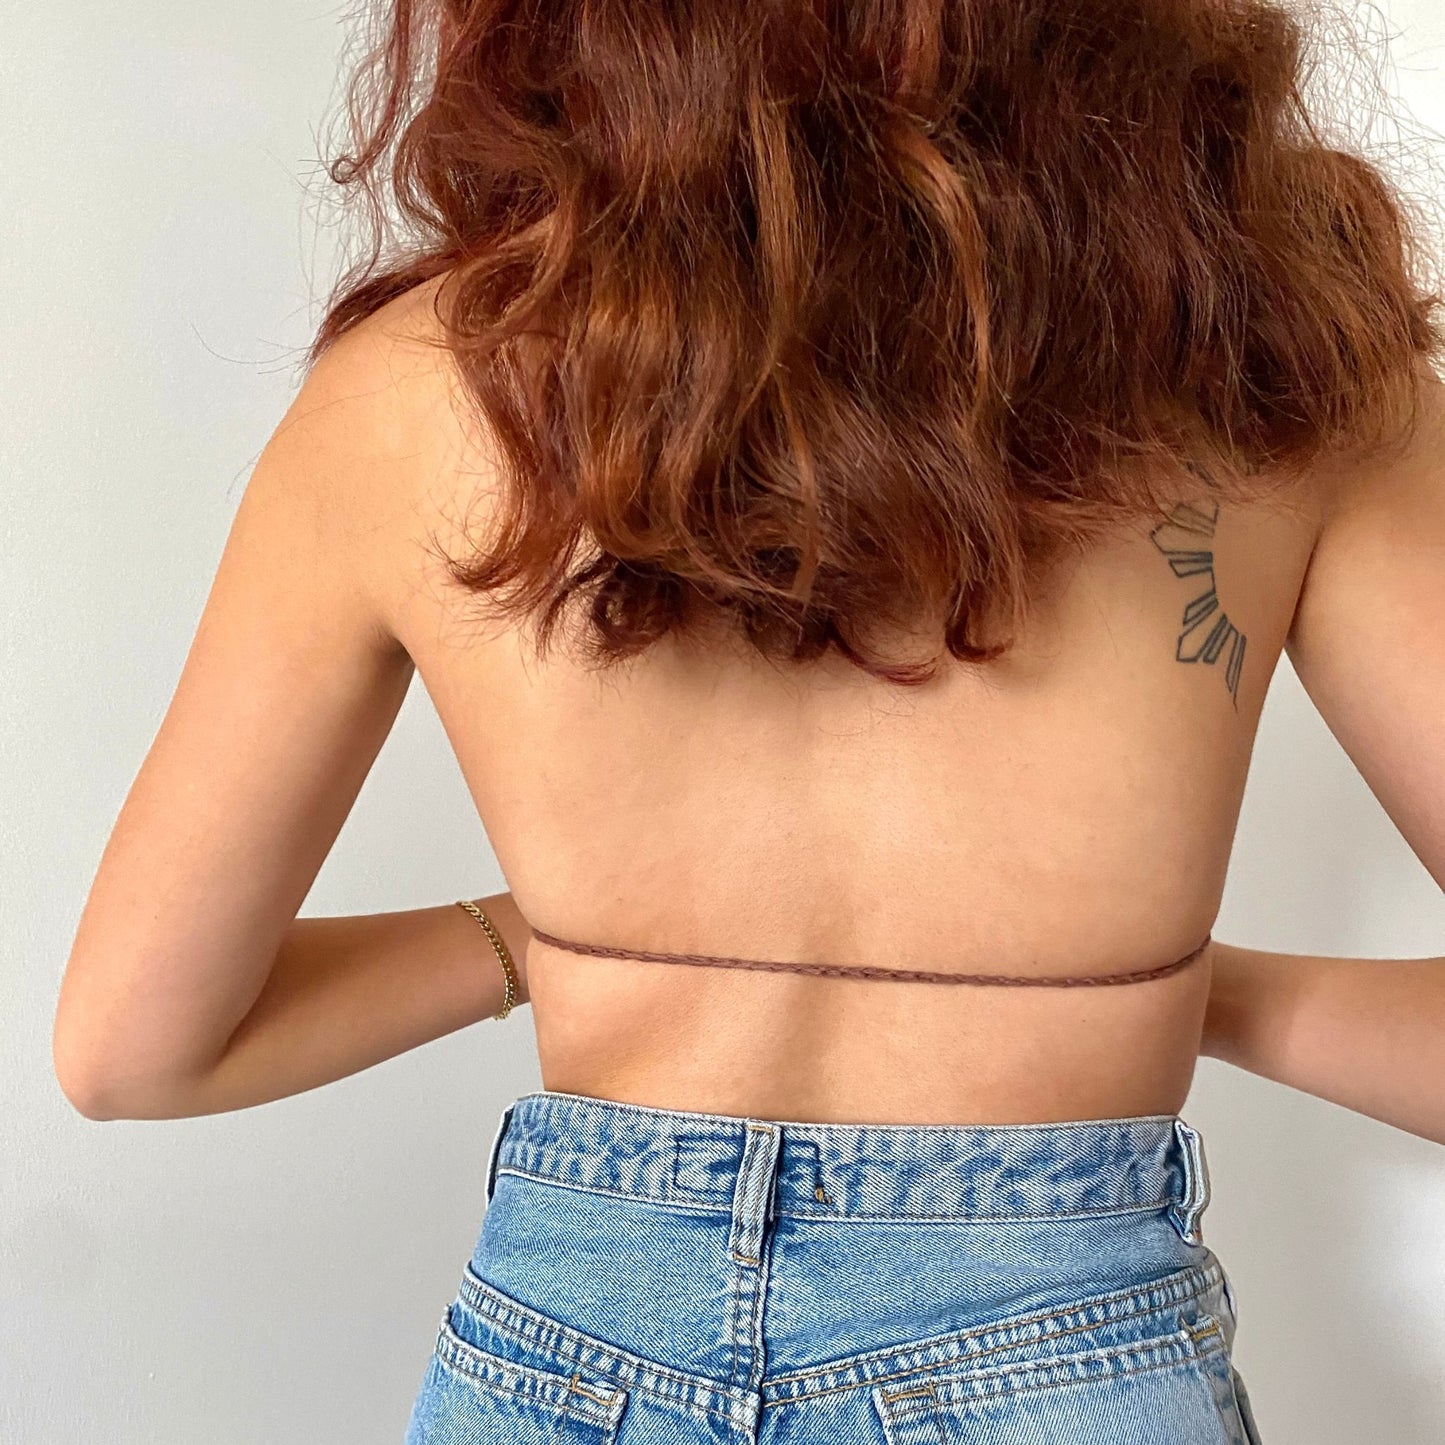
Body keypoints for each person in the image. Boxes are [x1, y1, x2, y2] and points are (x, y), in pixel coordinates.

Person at [53, 1, 1445, 1441]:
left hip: (563, 1367)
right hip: (1060, 1362)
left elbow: (135, 1047)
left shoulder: (405, 401)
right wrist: (1177, 989)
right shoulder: (1284, 385)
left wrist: (539, 940)